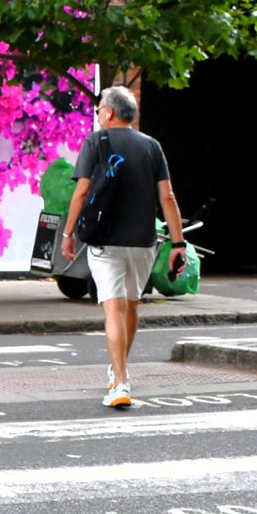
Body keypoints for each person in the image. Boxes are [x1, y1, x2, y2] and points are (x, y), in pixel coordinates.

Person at [60, 85, 186, 409]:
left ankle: (121, 382)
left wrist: (68, 233)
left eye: (100, 107)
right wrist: (178, 242)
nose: (99, 112)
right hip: (143, 243)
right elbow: (168, 198)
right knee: (131, 306)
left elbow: (82, 192)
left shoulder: (96, 142)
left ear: (110, 112)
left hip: (106, 241)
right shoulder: (152, 147)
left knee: (112, 309)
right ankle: (118, 372)